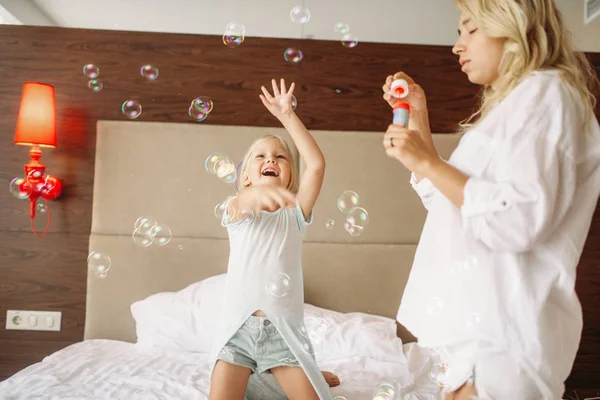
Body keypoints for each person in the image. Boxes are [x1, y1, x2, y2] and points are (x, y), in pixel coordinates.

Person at [381, 0, 600, 399]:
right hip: (479, 342)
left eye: (469, 29)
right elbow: (455, 205)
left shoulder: (547, 92)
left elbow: (515, 219)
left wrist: (428, 162)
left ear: (511, 24)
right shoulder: (519, 104)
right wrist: (419, 120)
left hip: (500, 341)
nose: (457, 46)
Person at [209, 79, 336, 400]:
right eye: (261, 156)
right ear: (246, 176)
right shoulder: (236, 210)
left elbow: (318, 165)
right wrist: (254, 198)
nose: (271, 160)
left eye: (281, 158)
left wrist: (288, 116)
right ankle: (276, 378)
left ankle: (305, 372)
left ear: (290, 176)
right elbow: (245, 203)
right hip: (236, 332)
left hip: (283, 334)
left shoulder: (294, 212)